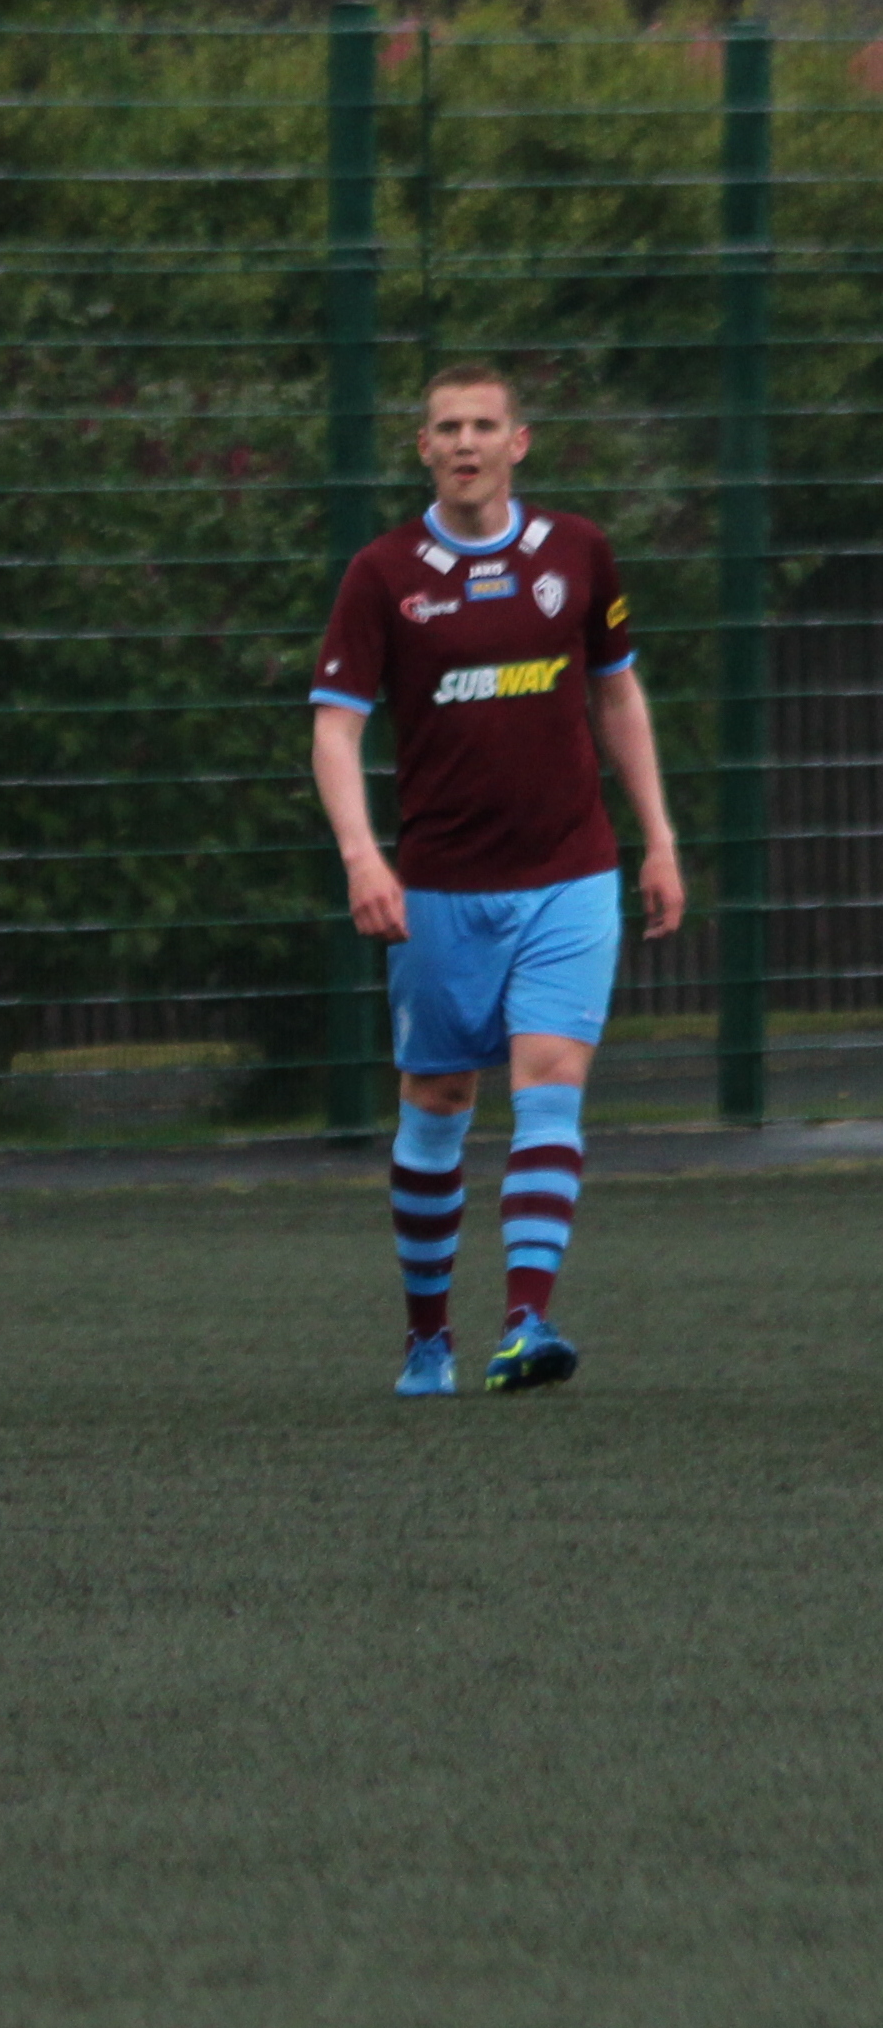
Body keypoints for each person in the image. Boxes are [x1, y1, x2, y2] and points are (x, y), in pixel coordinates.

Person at [309, 363, 684, 1401]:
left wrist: (657, 838)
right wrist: (362, 855)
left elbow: (616, 695)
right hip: (441, 885)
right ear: (422, 447)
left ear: (518, 442)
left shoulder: (576, 551)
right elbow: (335, 731)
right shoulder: (382, 574)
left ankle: (525, 1322)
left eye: (483, 425)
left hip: (570, 869)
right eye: (447, 427)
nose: (465, 442)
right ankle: (427, 1337)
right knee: (438, 1100)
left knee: (550, 1079)